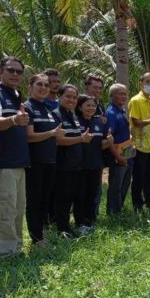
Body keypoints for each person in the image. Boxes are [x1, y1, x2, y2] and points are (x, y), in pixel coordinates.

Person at [0, 56, 30, 258]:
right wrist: (14, 119)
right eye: (11, 70)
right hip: (1, 162)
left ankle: (15, 248)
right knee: (4, 209)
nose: (15, 74)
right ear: (0, 71)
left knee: (18, 209)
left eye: (19, 71)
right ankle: (5, 252)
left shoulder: (17, 95)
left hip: (18, 162)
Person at [24, 73, 64, 247]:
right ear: (30, 87)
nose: (43, 88)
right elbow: (29, 136)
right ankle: (36, 238)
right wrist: (52, 133)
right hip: (35, 161)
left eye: (46, 85)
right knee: (35, 200)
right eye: (39, 84)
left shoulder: (47, 109)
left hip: (50, 160)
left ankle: (43, 231)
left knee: (45, 199)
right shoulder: (27, 107)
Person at [52, 84, 93, 237]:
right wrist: (81, 139)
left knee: (75, 197)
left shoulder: (73, 115)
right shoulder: (56, 114)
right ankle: (62, 230)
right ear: (59, 97)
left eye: (74, 97)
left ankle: (73, 225)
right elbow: (57, 140)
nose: (71, 100)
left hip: (76, 165)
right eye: (68, 96)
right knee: (63, 199)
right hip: (63, 165)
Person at [76, 95, 113, 230]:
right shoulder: (76, 121)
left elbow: (100, 145)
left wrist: (108, 141)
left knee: (92, 195)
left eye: (93, 106)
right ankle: (80, 223)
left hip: (96, 164)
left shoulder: (98, 122)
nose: (91, 108)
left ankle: (90, 222)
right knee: (81, 196)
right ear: (80, 107)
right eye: (88, 105)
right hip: (80, 165)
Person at [129, 72, 150, 211]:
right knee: (138, 177)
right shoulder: (135, 100)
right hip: (139, 145)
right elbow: (135, 122)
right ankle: (137, 204)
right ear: (140, 83)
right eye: (147, 81)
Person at [105, 83, 135, 213]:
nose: (123, 96)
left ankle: (119, 207)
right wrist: (117, 156)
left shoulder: (121, 110)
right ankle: (113, 211)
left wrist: (131, 144)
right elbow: (109, 137)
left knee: (125, 182)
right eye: (120, 93)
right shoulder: (111, 113)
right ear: (112, 96)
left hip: (126, 151)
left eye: (125, 93)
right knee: (116, 184)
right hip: (118, 154)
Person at [84, 75, 108, 215]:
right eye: (95, 87)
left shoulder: (100, 107)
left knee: (96, 190)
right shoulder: (77, 105)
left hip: (97, 155)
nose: (98, 90)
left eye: (100, 88)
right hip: (81, 158)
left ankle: (93, 218)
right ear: (86, 88)